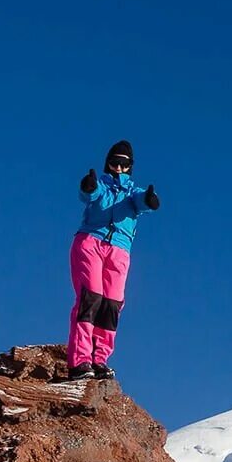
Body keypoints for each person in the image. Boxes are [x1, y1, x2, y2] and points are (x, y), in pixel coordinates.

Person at [69, 140, 160, 380]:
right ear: (107, 164)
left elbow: (144, 202)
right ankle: (80, 360)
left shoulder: (132, 193)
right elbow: (89, 193)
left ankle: (99, 359)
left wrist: (151, 199)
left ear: (130, 167)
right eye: (114, 163)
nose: (118, 168)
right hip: (91, 242)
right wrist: (88, 186)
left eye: (124, 164)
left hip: (119, 251)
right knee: (91, 297)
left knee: (112, 304)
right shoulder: (102, 186)